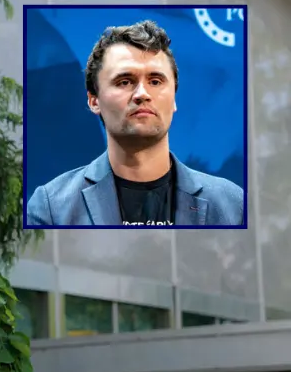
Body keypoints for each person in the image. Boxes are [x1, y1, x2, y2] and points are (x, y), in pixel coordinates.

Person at [26, 20, 244, 227]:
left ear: (174, 99)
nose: (142, 94)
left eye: (156, 81)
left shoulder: (232, 205)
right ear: (94, 100)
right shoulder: (52, 207)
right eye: (125, 81)